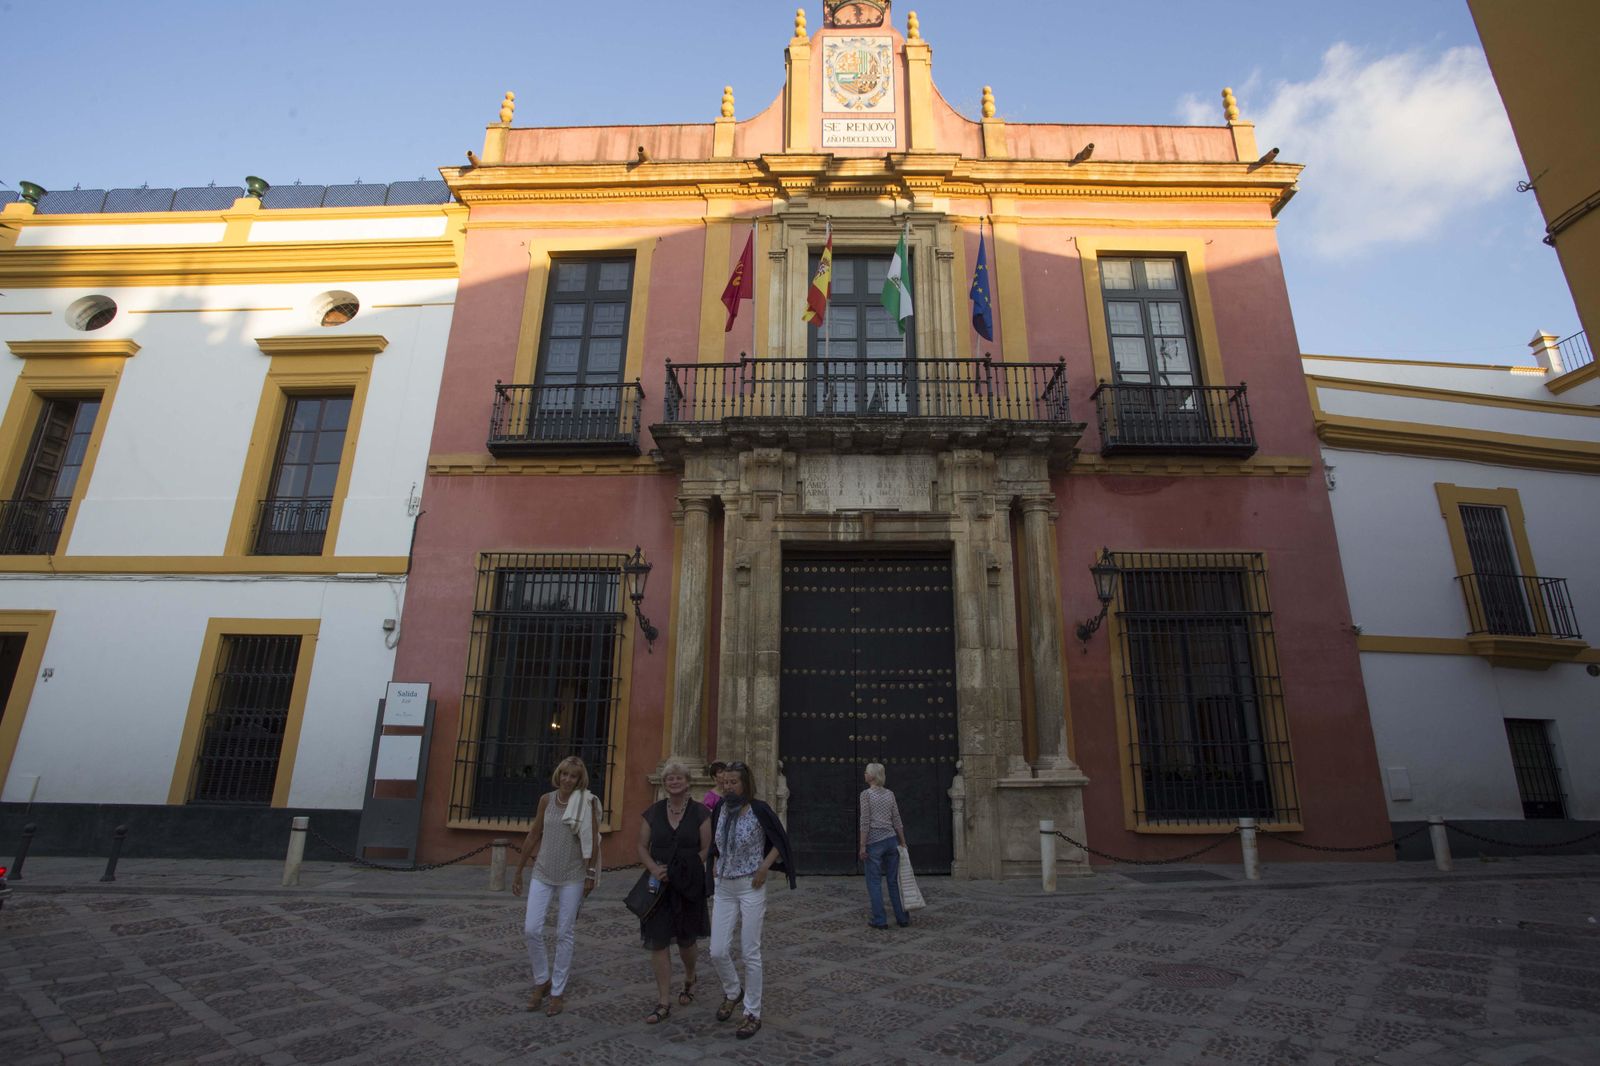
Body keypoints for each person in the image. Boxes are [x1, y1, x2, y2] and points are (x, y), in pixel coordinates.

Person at [708, 760, 796, 1040]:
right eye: (725, 782)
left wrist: (764, 867)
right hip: (724, 886)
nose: (728, 786)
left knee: (750, 951)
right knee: (717, 950)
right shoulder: (720, 809)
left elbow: (780, 840)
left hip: (751, 886)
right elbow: (716, 842)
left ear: (745, 784)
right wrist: (715, 861)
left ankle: (752, 1012)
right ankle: (733, 990)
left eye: (733, 782)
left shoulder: (759, 810)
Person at [511, 756, 601, 1016]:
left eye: (573, 776)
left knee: (564, 933)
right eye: (564, 774)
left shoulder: (586, 802)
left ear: (580, 779)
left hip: (573, 874)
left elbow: (593, 840)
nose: (567, 779)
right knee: (531, 929)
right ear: (558, 774)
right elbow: (534, 834)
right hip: (542, 871)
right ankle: (542, 979)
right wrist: (518, 871)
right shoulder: (546, 800)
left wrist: (590, 874)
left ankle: (557, 990)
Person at [636, 759, 712, 1025]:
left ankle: (690, 976)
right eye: (670, 778)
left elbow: (706, 848)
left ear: (688, 782)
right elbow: (642, 846)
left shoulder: (701, 813)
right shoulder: (653, 812)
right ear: (664, 783)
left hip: (688, 884)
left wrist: (684, 870)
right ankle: (663, 1001)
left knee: (686, 940)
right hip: (659, 885)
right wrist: (654, 869)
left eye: (679, 777)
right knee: (658, 941)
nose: (674, 781)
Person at [858, 762, 911, 930]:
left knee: (874, 882)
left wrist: (862, 845)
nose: (864, 774)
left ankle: (880, 920)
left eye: (866, 772)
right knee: (893, 881)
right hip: (891, 840)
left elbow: (865, 821)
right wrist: (902, 841)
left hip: (874, 842)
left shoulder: (866, 795)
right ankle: (902, 918)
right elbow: (896, 819)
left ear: (872, 776)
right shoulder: (890, 794)